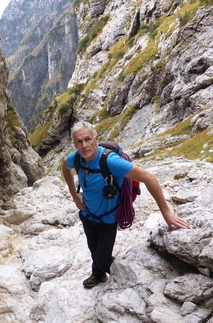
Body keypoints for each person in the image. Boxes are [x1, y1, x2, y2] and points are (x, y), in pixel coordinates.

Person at [62, 121, 190, 288]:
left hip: (108, 219)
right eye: (79, 141)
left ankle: (130, 278)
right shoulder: (77, 158)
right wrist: (74, 194)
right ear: (74, 143)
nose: (84, 145)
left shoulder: (110, 161)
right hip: (87, 214)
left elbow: (149, 178)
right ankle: (98, 274)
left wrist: (166, 212)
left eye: (88, 139)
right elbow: (65, 167)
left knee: (103, 259)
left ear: (96, 139)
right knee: (93, 249)